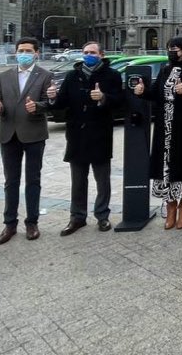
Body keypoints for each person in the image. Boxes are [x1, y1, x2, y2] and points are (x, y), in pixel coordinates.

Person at [48, 42, 123, 235]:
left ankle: (102, 215)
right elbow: (61, 103)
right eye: (86, 52)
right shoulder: (73, 76)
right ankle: (77, 217)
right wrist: (52, 97)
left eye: (92, 53)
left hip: (99, 133)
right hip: (77, 134)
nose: (88, 55)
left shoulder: (112, 75)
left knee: (102, 179)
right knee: (78, 180)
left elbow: (120, 101)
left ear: (101, 55)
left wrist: (103, 97)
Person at [134, 37, 182, 229]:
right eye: (170, 48)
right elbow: (156, 95)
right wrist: (142, 91)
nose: (173, 51)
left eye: (176, 48)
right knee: (165, 166)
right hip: (164, 128)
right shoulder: (165, 70)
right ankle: (171, 205)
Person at [0, 37, 53, 244]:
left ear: (36, 53)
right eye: (20, 50)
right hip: (9, 135)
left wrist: (39, 106)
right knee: (11, 181)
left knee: (33, 180)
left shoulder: (45, 75)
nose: (23, 53)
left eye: (28, 50)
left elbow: (49, 102)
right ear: (15, 53)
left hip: (34, 134)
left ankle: (32, 221)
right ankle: (9, 224)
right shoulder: (3, 76)